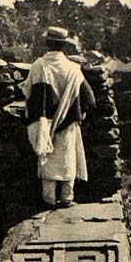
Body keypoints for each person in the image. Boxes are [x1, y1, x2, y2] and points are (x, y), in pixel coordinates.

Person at [23, 26, 95, 209]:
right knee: (67, 159)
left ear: (47, 43)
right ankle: (66, 198)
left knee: (47, 159)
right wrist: (79, 112)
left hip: (44, 123)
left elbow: (29, 93)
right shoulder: (74, 69)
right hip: (69, 124)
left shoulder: (39, 66)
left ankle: (48, 199)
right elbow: (90, 99)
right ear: (64, 45)